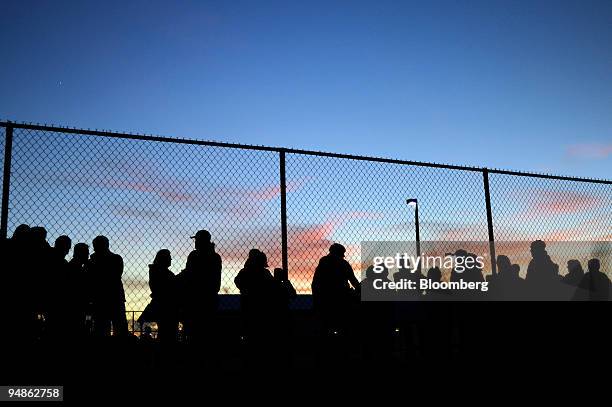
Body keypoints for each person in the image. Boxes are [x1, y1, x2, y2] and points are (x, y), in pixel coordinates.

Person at [176, 230, 222, 342]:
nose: (195, 242)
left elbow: (188, 274)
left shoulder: (195, 256)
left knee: (195, 333)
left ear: (202, 241)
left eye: (196, 240)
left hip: (196, 299)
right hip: (207, 298)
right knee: (205, 332)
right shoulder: (214, 257)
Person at [312, 243, 360, 334]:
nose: (343, 256)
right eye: (342, 253)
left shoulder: (324, 262)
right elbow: (353, 280)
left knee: (325, 324)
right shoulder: (343, 263)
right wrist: (360, 290)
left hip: (325, 297)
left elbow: (315, 283)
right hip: (341, 297)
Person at [89, 235, 128, 337]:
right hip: (108, 298)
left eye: (96, 246)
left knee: (107, 328)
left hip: (109, 298)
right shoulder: (115, 258)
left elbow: (112, 277)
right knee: (106, 327)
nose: (95, 249)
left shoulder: (114, 259)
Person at [145, 249, 178, 343]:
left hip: (166, 306)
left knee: (167, 331)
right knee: (167, 332)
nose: (171, 259)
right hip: (165, 306)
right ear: (164, 259)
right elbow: (166, 288)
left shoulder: (159, 271)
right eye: (169, 257)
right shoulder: (160, 272)